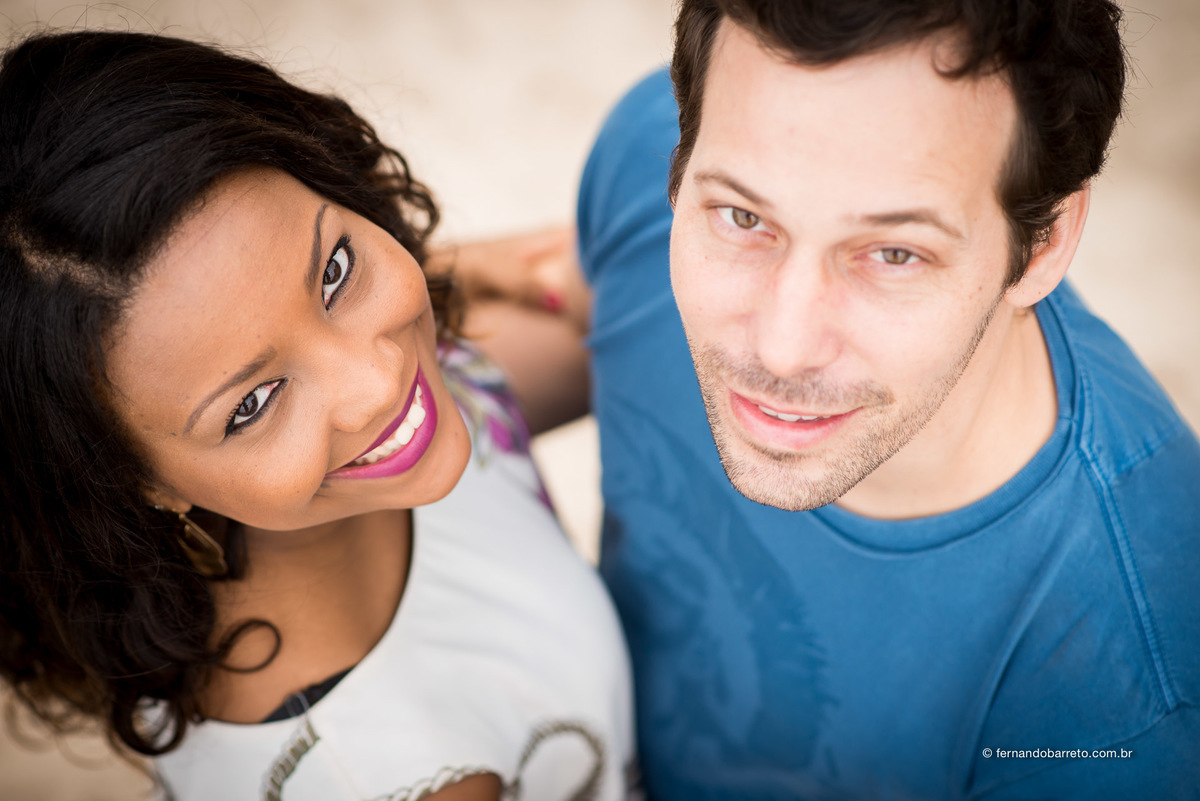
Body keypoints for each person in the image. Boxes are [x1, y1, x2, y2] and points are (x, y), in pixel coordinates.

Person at [468, 0, 1200, 797]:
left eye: (893, 253)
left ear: (1046, 241)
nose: (780, 347)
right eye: (744, 216)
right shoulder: (662, 156)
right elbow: (555, 315)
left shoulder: (1125, 701)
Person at [0, 30, 634, 801]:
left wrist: (431, 270)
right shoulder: (393, 773)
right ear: (125, 479)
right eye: (254, 404)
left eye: (332, 270)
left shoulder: (413, 376)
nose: (375, 382)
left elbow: (609, 324)